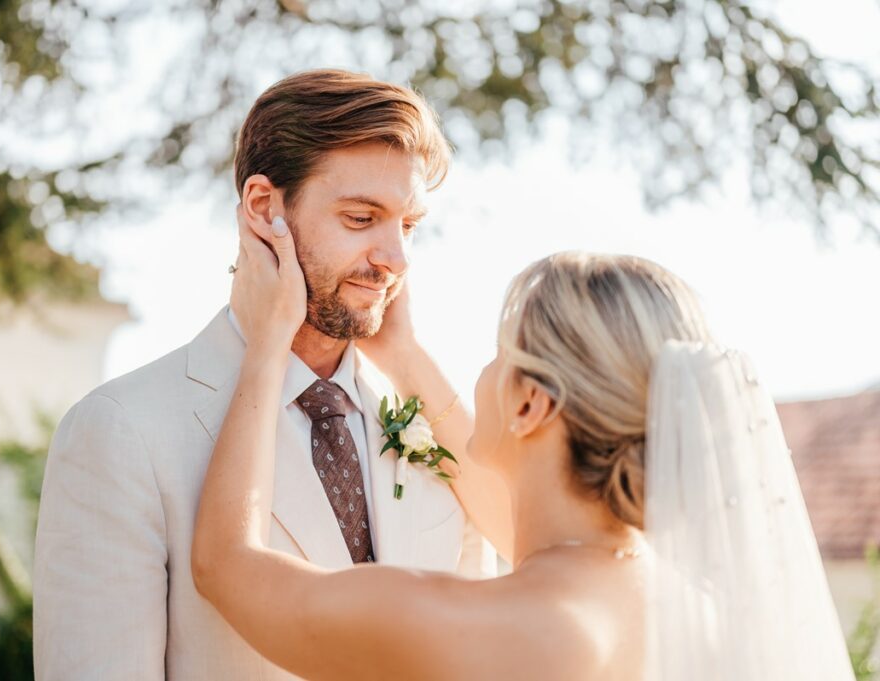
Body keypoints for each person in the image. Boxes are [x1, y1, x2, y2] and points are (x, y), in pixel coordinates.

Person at [192, 219, 856, 680]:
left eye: (500, 354)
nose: (483, 371)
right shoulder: (698, 609)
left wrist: (268, 341)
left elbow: (226, 564)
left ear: (532, 403)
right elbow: (526, 529)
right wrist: (403, 353)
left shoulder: (459, 618)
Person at [33, 69, 493, 681]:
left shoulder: (437, 430)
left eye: (407, 226)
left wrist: (407, 356)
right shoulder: (120, 432)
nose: (396, 259)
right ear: (263, 208)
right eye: (361, 218)